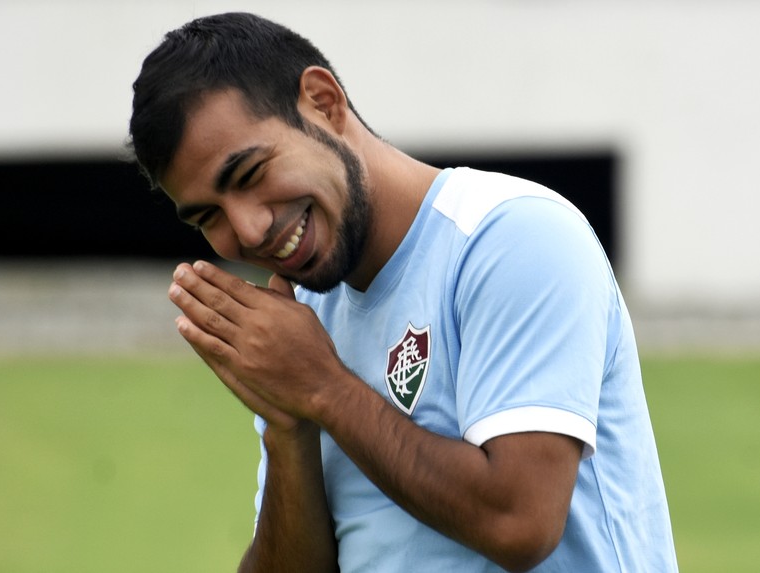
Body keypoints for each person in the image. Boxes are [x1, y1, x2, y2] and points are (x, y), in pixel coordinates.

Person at [129, 12, 678, 573]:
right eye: (206, 216)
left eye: (248, 174)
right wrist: (288, 427)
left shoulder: (512, 238)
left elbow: (519, 523)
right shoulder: (305, 315)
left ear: (323, 102)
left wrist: (323, 388)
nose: (246, 231)